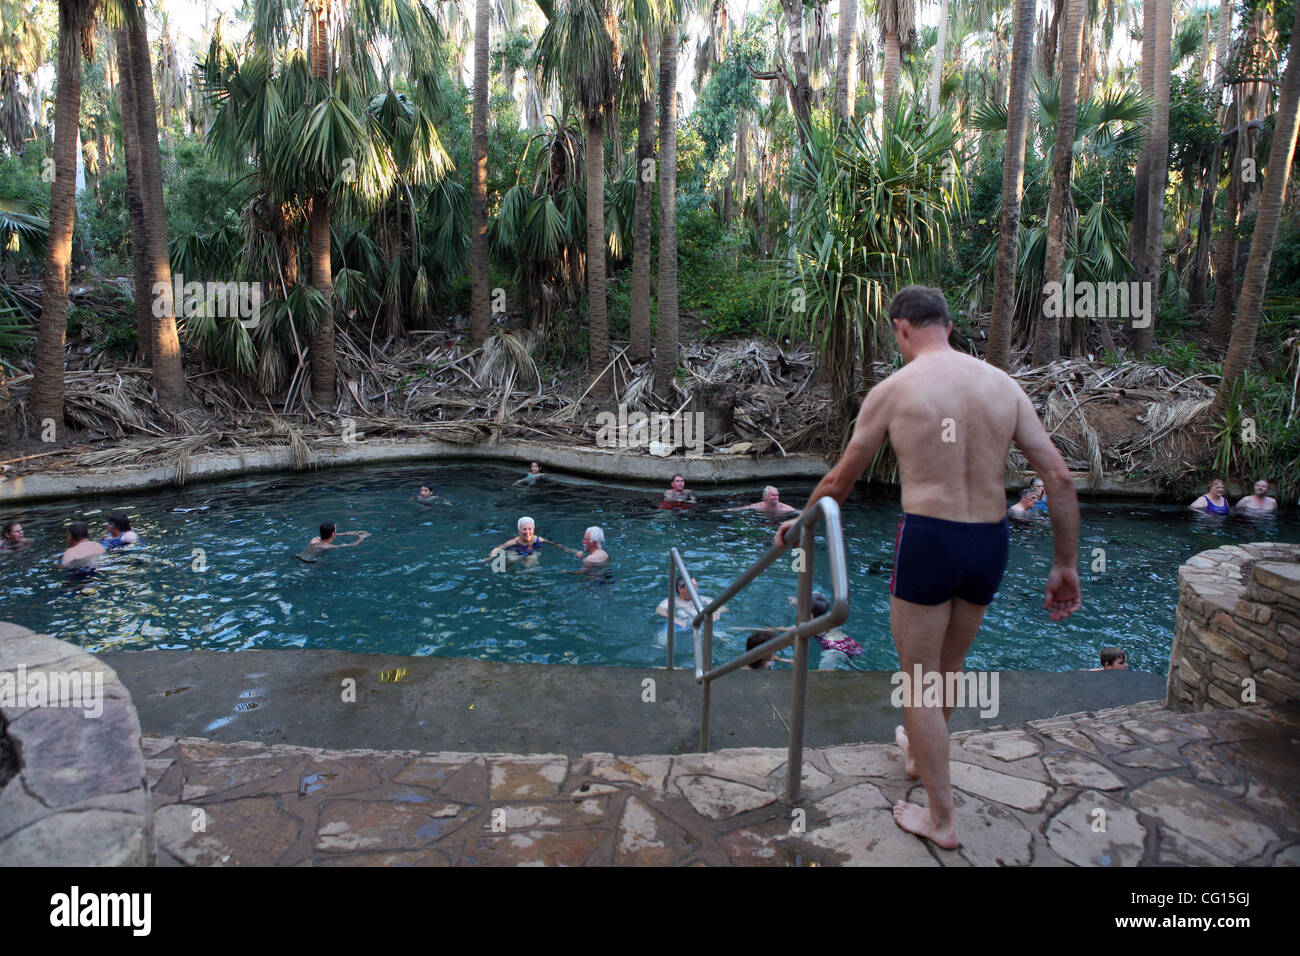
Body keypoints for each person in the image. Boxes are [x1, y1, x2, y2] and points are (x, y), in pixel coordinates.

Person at [774, 285, 1081, 849]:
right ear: (947, 324)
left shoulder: (894, 390)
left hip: (930, 536)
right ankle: (918, 752)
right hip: (989, 541)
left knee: (917, 681)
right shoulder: (1002, 387)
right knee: (949, 666)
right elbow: (1059, 478)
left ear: (902, 329)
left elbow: (840, 482)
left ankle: (941, 820)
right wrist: (1065, 564)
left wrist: (799, 529)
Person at [486, 516, 574, 564]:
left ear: (533, 529)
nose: (527, 532)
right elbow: (499, 548)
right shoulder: (513, 541)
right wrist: (491, 556)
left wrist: (568, 549)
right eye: (524, 529)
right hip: (516, 550)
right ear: (519, 531)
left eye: (529, 529)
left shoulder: (538, 539)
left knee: (532, 560)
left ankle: (529, 580)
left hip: (531, 551)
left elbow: (554, 544)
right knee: (512, 560)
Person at [656, 575, 726, 630]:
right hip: (679, 624)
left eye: (696, 586)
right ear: (680, 589)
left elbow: (723, 607)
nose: (696, 588)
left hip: (700, 625)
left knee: (725, 638)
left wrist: (717, 612)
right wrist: (674, 619)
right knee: (661, 639)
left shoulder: (702, 599)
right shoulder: (673, 601)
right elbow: (659, 610)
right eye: (692, 586)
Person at [714, 486, 801, 518]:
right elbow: (739, 509)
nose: (776, 497)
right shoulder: (759, 506)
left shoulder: (785, 508)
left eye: (777, 495)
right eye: (773, 495)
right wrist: (719, 511)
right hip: (763, 522)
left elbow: (799, 512)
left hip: (778, 523)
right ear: (766, 497)